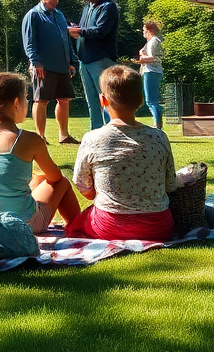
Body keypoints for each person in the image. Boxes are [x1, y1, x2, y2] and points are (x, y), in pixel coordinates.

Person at [0, 72, 82, 258]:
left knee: (38, 179)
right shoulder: (30, 140)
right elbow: (55, 178)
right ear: (16, 103)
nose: (27, 103)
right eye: (26, 98)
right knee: (62, 182)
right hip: (24, 223)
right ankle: (76, 226)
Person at [66, 65, 177, 242]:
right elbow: (170, 184)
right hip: (158, 227)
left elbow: (82, 184)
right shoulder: (159, 137)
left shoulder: (93, 138)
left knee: (77, 224)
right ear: (140, 99)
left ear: (103, 100)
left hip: (110, 227)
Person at [22, 0, 79, 144]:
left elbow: (65, 40)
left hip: (63, 65)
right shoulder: (33, 15)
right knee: (41, 100)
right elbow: (29, 42)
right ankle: (40, 137)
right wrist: (36, 62)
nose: (56, 1)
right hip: (43, 66)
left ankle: (64, 135)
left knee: (64, 99)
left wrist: (71, 61)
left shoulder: (59, 15)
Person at [70, 0, 120, 131]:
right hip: (85, 60)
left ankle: (114, 131)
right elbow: (84, 28)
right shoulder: (88, 7)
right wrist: (74, 28)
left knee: (107, 98)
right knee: (91, 100)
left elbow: (101, 30)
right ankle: (96, 133)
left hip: (101, 59)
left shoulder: (108, 6)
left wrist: (80, 31)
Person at [134, 20, 165, 129]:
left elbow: (154, 58)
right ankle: (157, 122)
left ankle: (158, 125)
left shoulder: (153, 41)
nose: (143, 32)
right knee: (148, 100)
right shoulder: (153, 41)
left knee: (151, 101)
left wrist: (141, 59)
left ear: (150, 30)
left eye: (144, 30)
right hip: (151, 72)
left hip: (151, 72)